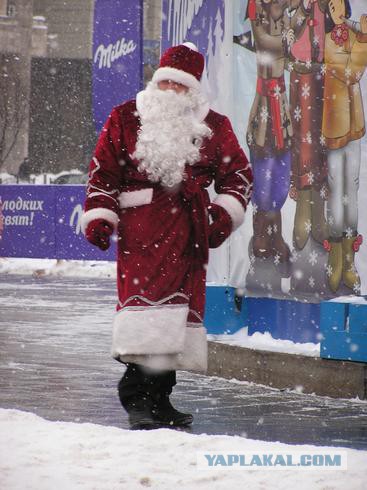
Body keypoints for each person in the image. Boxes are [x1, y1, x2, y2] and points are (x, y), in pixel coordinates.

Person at [81, 42, 253, 430]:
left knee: (174, 320)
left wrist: (221, 215)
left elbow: (238, 176)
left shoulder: (214, 126)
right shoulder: (126, 117)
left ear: (193, 90)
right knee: (146, 314)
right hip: (142, 235)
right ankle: (138, 399)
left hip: (189, 237)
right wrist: (101, 214)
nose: (173, 93)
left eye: (182, 86)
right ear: (157, 83)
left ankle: (159, 400)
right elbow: (103, 172)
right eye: (168, 84)